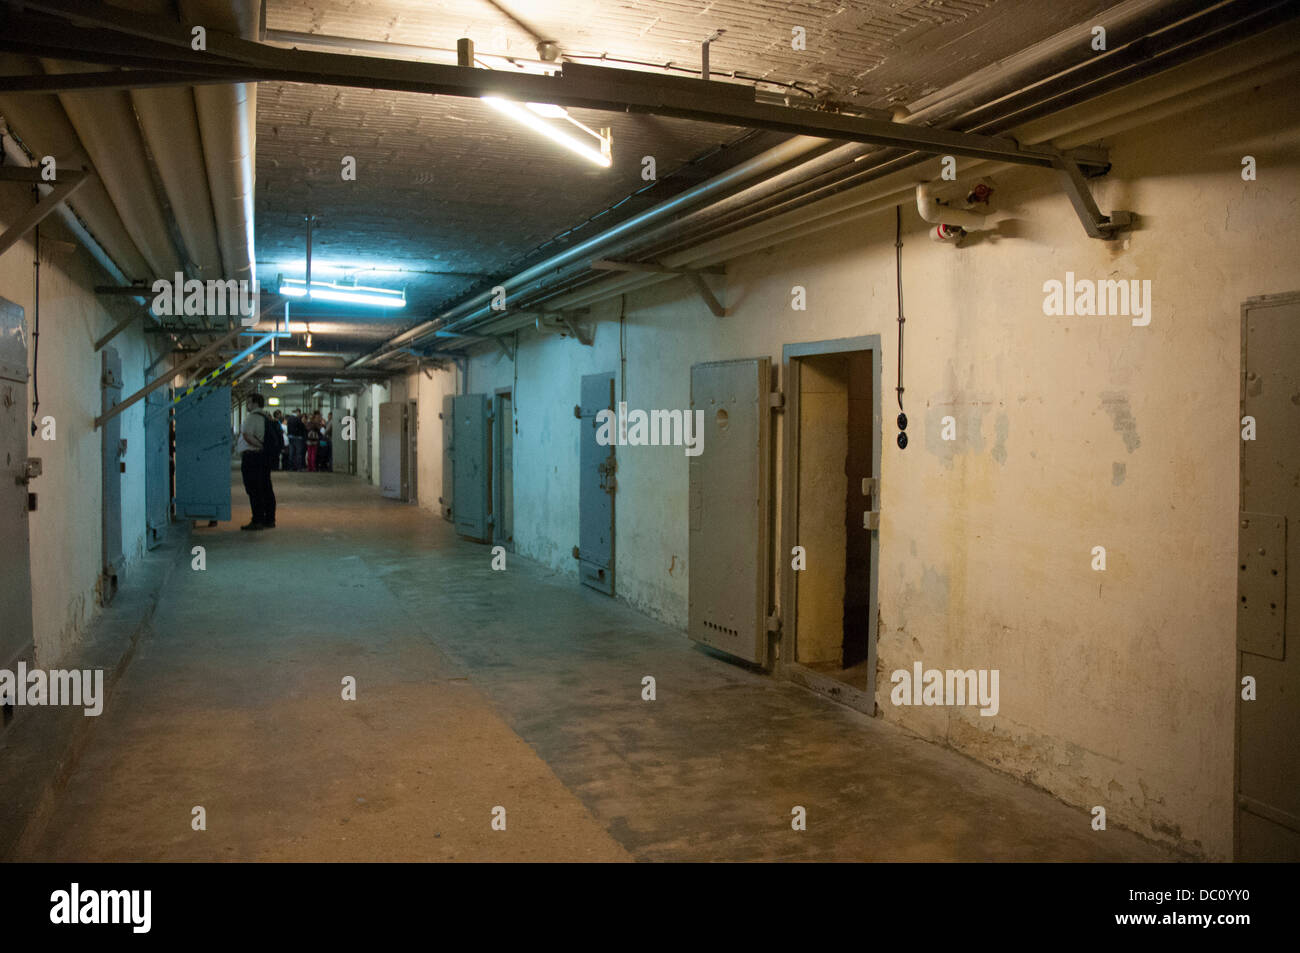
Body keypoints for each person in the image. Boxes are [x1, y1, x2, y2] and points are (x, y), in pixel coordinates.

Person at [236, 393, 277, 530]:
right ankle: (269, 519)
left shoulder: (253, 418)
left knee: (254, 489)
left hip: (252, 457)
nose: (247, 405)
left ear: (254, 403)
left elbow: (247, 435)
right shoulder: (265, 417)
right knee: (265, 487)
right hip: (262, 458)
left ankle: (257, 520)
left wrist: (260, 446)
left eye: (248, 402)